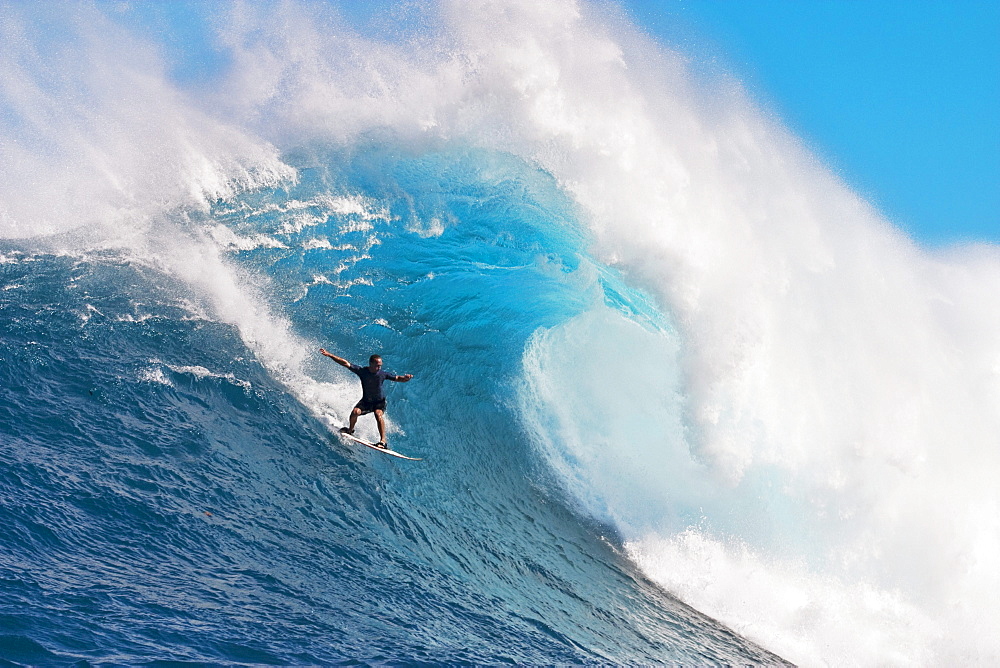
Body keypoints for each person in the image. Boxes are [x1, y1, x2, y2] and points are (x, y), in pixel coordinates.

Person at [319, 349, 413, 449]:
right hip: (366, 401)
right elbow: (345, 363)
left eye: (380, 365)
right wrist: (329, 355)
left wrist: (405, 378)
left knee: (378, 414)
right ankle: (350, 430)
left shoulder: (382, 374)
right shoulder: (362, 371)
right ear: (370, 364)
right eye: (377, 365)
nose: (379, 367)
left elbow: (398, 378)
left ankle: (383, 441)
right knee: (355, 412)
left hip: (379, 402)